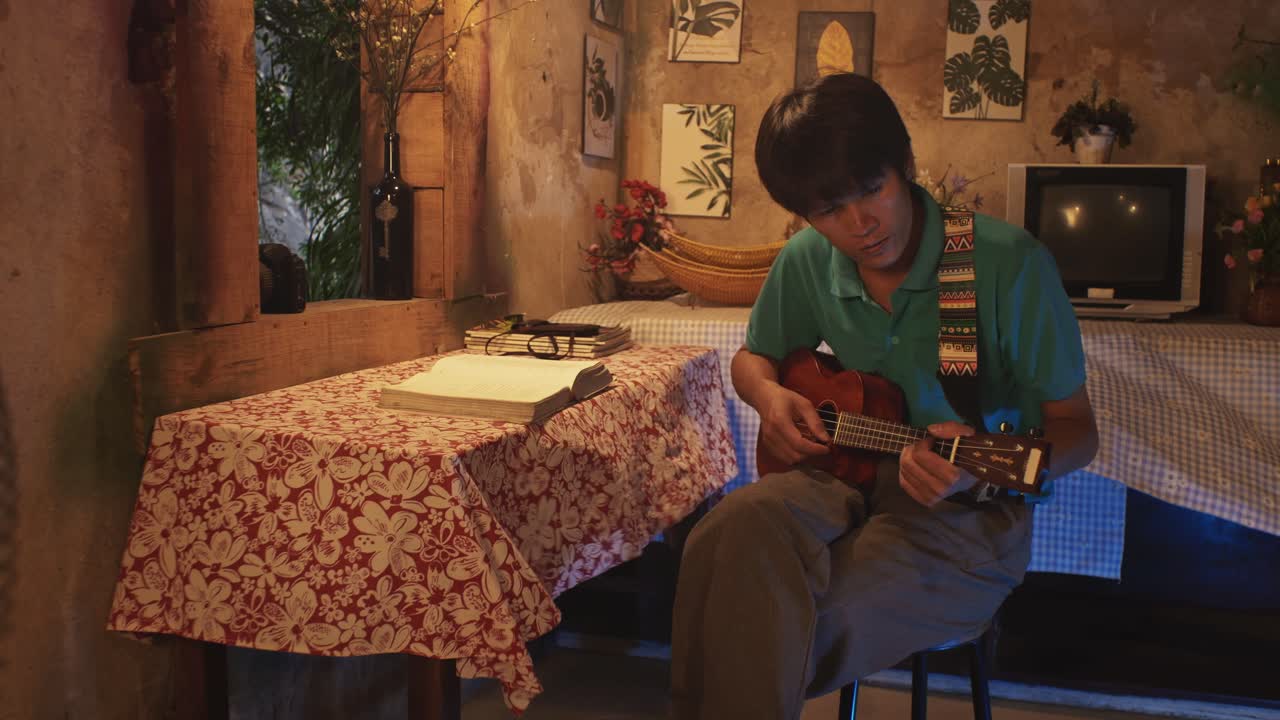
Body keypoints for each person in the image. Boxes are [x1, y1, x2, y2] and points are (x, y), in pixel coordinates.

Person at [669, 73, 1099, 720]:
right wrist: (766, 397)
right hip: (836, 476)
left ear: (905, 165)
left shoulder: (1006, 265)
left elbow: (1078, 432)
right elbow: (755, 358)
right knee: (721, 538)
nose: (859, 224)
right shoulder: (809, 259)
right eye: (827, 211)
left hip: (966, 514)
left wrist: (979, 459)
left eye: (871, 190)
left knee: (784, 619)